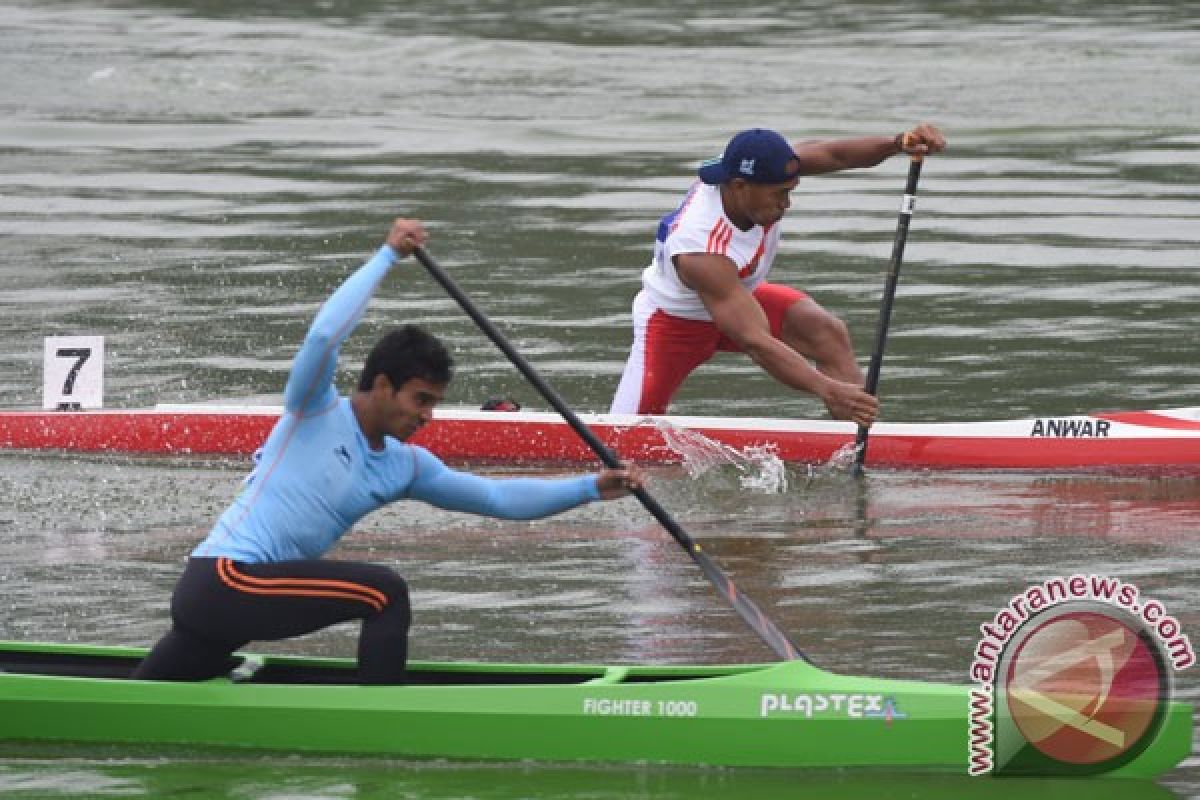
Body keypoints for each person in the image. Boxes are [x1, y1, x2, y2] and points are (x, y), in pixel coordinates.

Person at [133, 218, 641, 685]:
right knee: (384, 593)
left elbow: (496, 499)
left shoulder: (404, 466)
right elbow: (323, 335)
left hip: (231, 605)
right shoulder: (314, 410)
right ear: (381, 385)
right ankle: (380, 713)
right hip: (226, 579)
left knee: (142, 700)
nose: (427, 416)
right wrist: (386, 257)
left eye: (435, 404)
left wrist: (590, 489)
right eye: (420, 399)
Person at [610, 124, 946, 424]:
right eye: (780, 194)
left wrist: (898, 143)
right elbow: (756, 342)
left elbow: (835, 154)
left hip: (738, 296)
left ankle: (862, 438)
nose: (787, 204)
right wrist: (827, 390)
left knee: (825, 331)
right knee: (623, 437)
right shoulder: (700, 248)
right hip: (674, 324)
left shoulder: (762, 170)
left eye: (791, 190)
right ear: (740, 186)